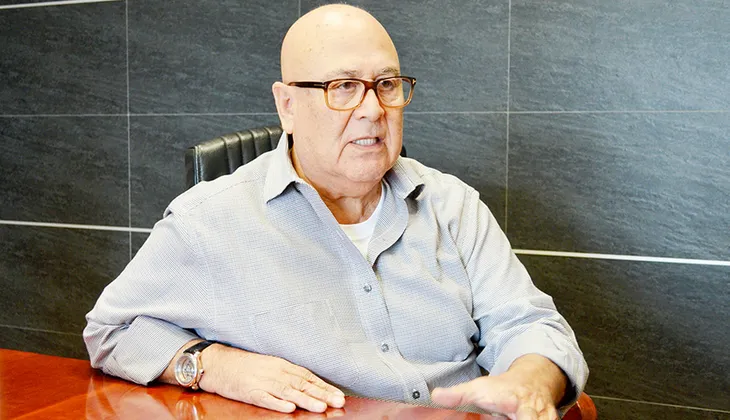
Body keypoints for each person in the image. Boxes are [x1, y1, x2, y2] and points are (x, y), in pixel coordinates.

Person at [84, 4, 588, 419]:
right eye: (342, 87)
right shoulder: (210, 221)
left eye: (386, 84)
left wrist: (528, 381)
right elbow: (112, 331)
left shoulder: (453, 205)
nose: (372, 109)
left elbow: (530, 324)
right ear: (287, 106)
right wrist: (212, 366)